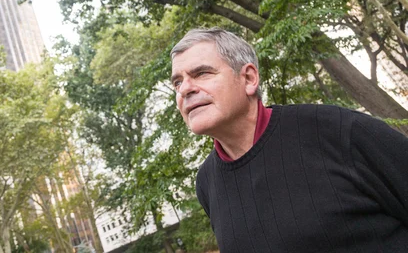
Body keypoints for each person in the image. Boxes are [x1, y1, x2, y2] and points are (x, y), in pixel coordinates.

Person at [170, 27, 408, 252]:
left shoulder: (339, 131)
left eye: (201, 73)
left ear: (249, 78)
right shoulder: (206, 183)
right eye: (177, 82)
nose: (185, 89)